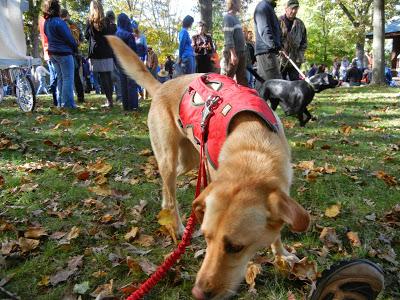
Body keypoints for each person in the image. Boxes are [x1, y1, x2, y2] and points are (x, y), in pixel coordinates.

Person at [43, 0, 77, 108]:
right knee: (68, 78)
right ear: (57, 8)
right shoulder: (59, 22)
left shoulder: (47, 22)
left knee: (61, 78)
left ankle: (60, 103)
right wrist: (75, 46)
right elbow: (69, 38)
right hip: (63, 53)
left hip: (53, 53)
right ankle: (67, 104)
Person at [85, 0, 116, 108]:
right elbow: (113, 31)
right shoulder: (107, 21)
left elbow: (86, 36)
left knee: (103, 77)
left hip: (97, 52)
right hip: (107, 50)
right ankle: (110, 100)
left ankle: (109, 101)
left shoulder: (90, 21)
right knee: (108, 75)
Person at [254, 0, 282, 90]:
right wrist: (274, 45)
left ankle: (255, 103)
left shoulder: (269, 7)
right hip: (266, 51)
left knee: (262, 84)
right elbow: (264, 29)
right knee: (276, 85)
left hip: (269, 51)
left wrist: (279, 46)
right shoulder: (262, 7)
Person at [115, 12, 139, 111]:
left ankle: (126, 106)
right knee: (132, 83)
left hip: (119, 60)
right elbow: (133, 50)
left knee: (123, 82)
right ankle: (133, 105)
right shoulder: (129, 35)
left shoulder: (116, 34)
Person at [60, 8, 85, 103]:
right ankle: (80, 97)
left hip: (65, 51)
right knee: (76, 76)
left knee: (65, 76)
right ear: (67, 15)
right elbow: (81, 38)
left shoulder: (60, 24)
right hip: (76, 52)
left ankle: (66, 99)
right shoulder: (74, 25)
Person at [279, 0, 307, 81]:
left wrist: (300, 56)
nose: (294, 11)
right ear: (286, 9)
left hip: (295, 60)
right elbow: (273, 39)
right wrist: (279, 52)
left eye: (296, 8)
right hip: (281, 60)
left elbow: (304, 42)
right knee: (281, 84)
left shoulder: (300, 24)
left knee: (295, 83)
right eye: (292, 8)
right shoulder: (278, 21)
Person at [222, 0, 247, 86]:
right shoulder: (228, 17)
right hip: (232, 53)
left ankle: (244, 98)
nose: (241, 4)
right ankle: (224, 98)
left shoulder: (236, 19)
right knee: (228, 78)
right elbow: (228, 37)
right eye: (239, 2)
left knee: (242, 78)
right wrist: (233, 54)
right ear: (233, 3)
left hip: (241, 52)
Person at [39, 16, 57, 106]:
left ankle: (55, 100)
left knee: (53, 77)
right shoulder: (49, 21)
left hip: (47, 53)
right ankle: (57, 99)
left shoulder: (42, 20)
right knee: (57, 77)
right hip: (53, 51)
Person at [106, 10, 122, 102]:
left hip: (110, 54)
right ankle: (118, 96)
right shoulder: (116, 28)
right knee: (115, 75)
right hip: (115, 53)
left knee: (113, 76)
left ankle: (117, 96)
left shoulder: (108, 28)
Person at [133, 24, 147, 99]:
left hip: (141, 58)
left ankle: (142, 93)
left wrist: (145, 60)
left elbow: (145, 49)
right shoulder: (131, 36)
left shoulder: (142, 37)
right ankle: (139, 92)